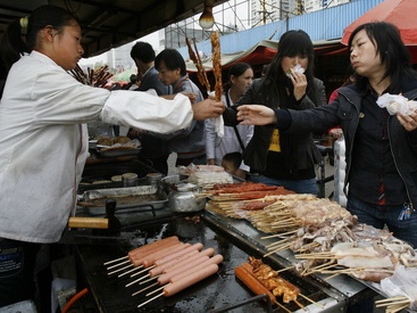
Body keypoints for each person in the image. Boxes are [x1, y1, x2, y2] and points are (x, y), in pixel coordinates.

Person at [0, 5, 224, 309]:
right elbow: (105, 103)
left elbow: (108, 102)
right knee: (15, 301)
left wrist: (173, 101)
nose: (81, 49)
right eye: (76, 39)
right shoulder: (38, 77)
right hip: (10, 224)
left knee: (31, 289)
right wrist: (187, 110)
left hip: (21, 218)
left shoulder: (41, 73)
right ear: (50, 35)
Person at [236, 21, 417, 250]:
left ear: (386, 47)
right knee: (358, 264)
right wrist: (275, 116)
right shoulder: (349, 96)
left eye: (360, 45)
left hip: (408, 204)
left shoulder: (413, 94)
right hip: (361, 202)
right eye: (351, 48)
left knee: (410, 273)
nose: (353, 53)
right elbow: (315, 118)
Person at [223, 30, 327, 195]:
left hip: (301, 172)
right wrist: (220, 108)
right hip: (265, 171)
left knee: (306, 218)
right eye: (290, 56)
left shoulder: (316, 85)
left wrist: (301, 98)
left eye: (302, 57)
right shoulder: (260, 86)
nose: (296, 62)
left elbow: (320, 124)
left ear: (309, 59)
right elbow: (234, 117)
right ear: (280, 57)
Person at [154, 48, 207, 167]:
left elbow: (183, 128)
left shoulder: (189, 92)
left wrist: (151, 131)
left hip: (193, 156)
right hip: (187, 153)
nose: (159, 77)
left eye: (163, 72)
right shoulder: (177, 89)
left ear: (177, 70)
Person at [127, 41, 172, 175]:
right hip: (155, 142)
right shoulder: (153, 75)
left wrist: (143, 127)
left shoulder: (153, 77)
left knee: (154, 176)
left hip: (154, 144)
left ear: (137, 61)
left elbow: (158, 107)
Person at [206, 62, 254, 179]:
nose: (250, 82)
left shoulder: (252, 105)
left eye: (252, 78)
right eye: (247, 78)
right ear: (233, 79)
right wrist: (211, 160)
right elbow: (210, 131)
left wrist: (243, 168)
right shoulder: (219, 101)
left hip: (241, 163)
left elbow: (251, 137)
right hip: (220, 162)